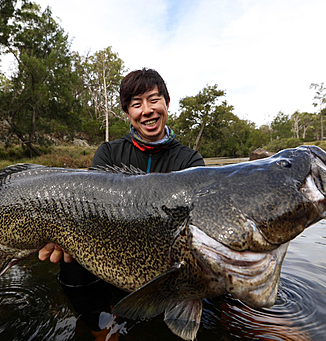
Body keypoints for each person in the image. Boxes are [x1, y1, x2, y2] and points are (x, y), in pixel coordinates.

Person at [39, 68, 205, 340]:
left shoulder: (190, 161)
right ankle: (98, 325)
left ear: (166, 103)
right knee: (70, 258)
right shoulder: (109, 153)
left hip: (167, 259)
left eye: (153, 100)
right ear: (128, 114)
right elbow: (94, 212)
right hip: (111, 254)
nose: (147, 110)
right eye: (136, 104)